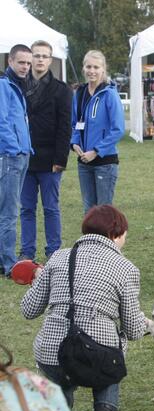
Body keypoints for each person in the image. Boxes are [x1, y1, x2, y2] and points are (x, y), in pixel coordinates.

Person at [20, 205, 147, 411]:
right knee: (114, 345)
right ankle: (105, 406)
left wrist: (38, 279)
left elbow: (29, 309)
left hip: (53, 353)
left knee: (58, 364)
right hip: (98, 356)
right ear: (115, 234)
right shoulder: (126, 268)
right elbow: (135, 330)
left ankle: (59, 404)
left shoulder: (58, 258)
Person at [19, 40, 72, 263]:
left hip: (50, 158)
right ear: (31, 59)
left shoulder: (62, 90)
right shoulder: (18, 85)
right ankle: (27, 252)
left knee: (51, 208)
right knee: (26, 209)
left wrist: (60, 159)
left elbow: (65, 127)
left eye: (44, 56)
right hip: (24, 158)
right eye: (37, 55)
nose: (40, 59)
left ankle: (53, 252)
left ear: (51, 60)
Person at [70, 50, 124, 213]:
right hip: (84, 162)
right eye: (88, 66)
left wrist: (96, 151)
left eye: (96, 67)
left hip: (104, 162)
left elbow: (118, 129)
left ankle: (105, 239)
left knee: (103, 210)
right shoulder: (79, 93)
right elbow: (74, 123)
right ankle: (91, 239)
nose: (91, 71)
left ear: (103, 69)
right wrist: (74, 143)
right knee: (88, 209)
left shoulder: (110, 94)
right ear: (83, 68)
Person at [0, 44, 33, 278]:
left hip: (22, 154)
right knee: (9, 212)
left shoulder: (16, 86)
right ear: (10, 61)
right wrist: (14, 148)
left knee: (10, 209)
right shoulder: (4, 85)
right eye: (21, 62)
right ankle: (9, 263)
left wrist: (25, 148)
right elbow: (2, 122)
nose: (26, 67)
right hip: (11, 156)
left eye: (28, 63)